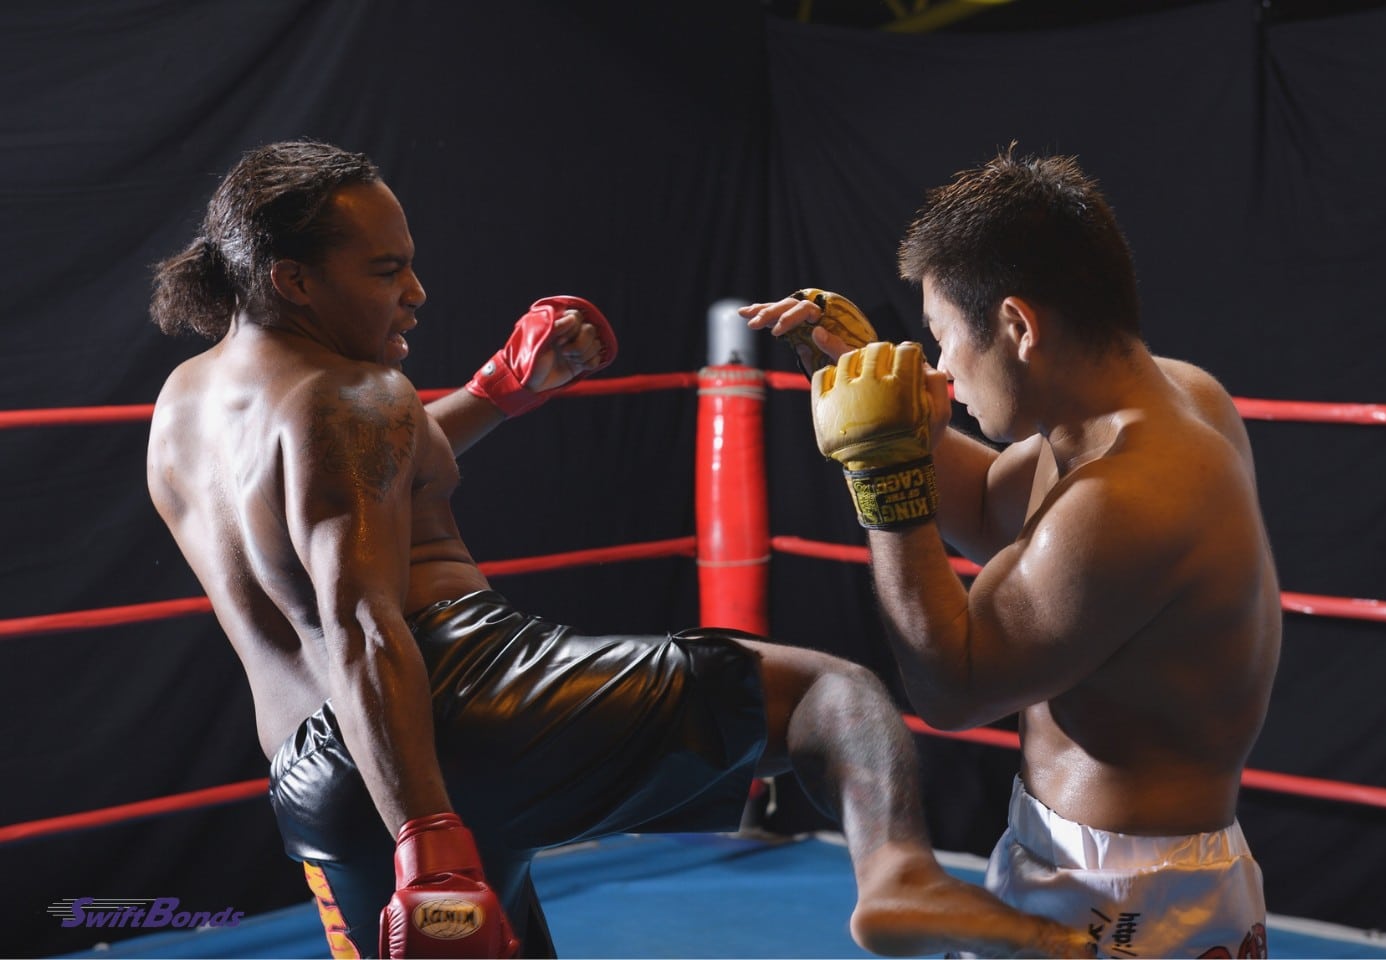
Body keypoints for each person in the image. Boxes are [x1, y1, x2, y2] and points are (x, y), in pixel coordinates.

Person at [144, 140, 1091, 959]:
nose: (417, 293)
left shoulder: (184, 409)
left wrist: (500, 394)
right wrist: (430, 837)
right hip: (447, 708)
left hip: (323, 787)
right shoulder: (354, 397)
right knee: (828, 697)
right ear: (293, 279)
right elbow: (359, 619)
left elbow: (342, 477)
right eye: (387, 271)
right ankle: (900, 878)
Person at [741, 146, 1280, 959]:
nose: (942, 369)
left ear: (1019, 325)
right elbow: (998, 502)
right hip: (1112, 865)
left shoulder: (1129, 496)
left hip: (1122, 895)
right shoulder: (1167, 400)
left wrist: (884, 479)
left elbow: (953, 689)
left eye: (944, 338)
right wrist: (865, 381)